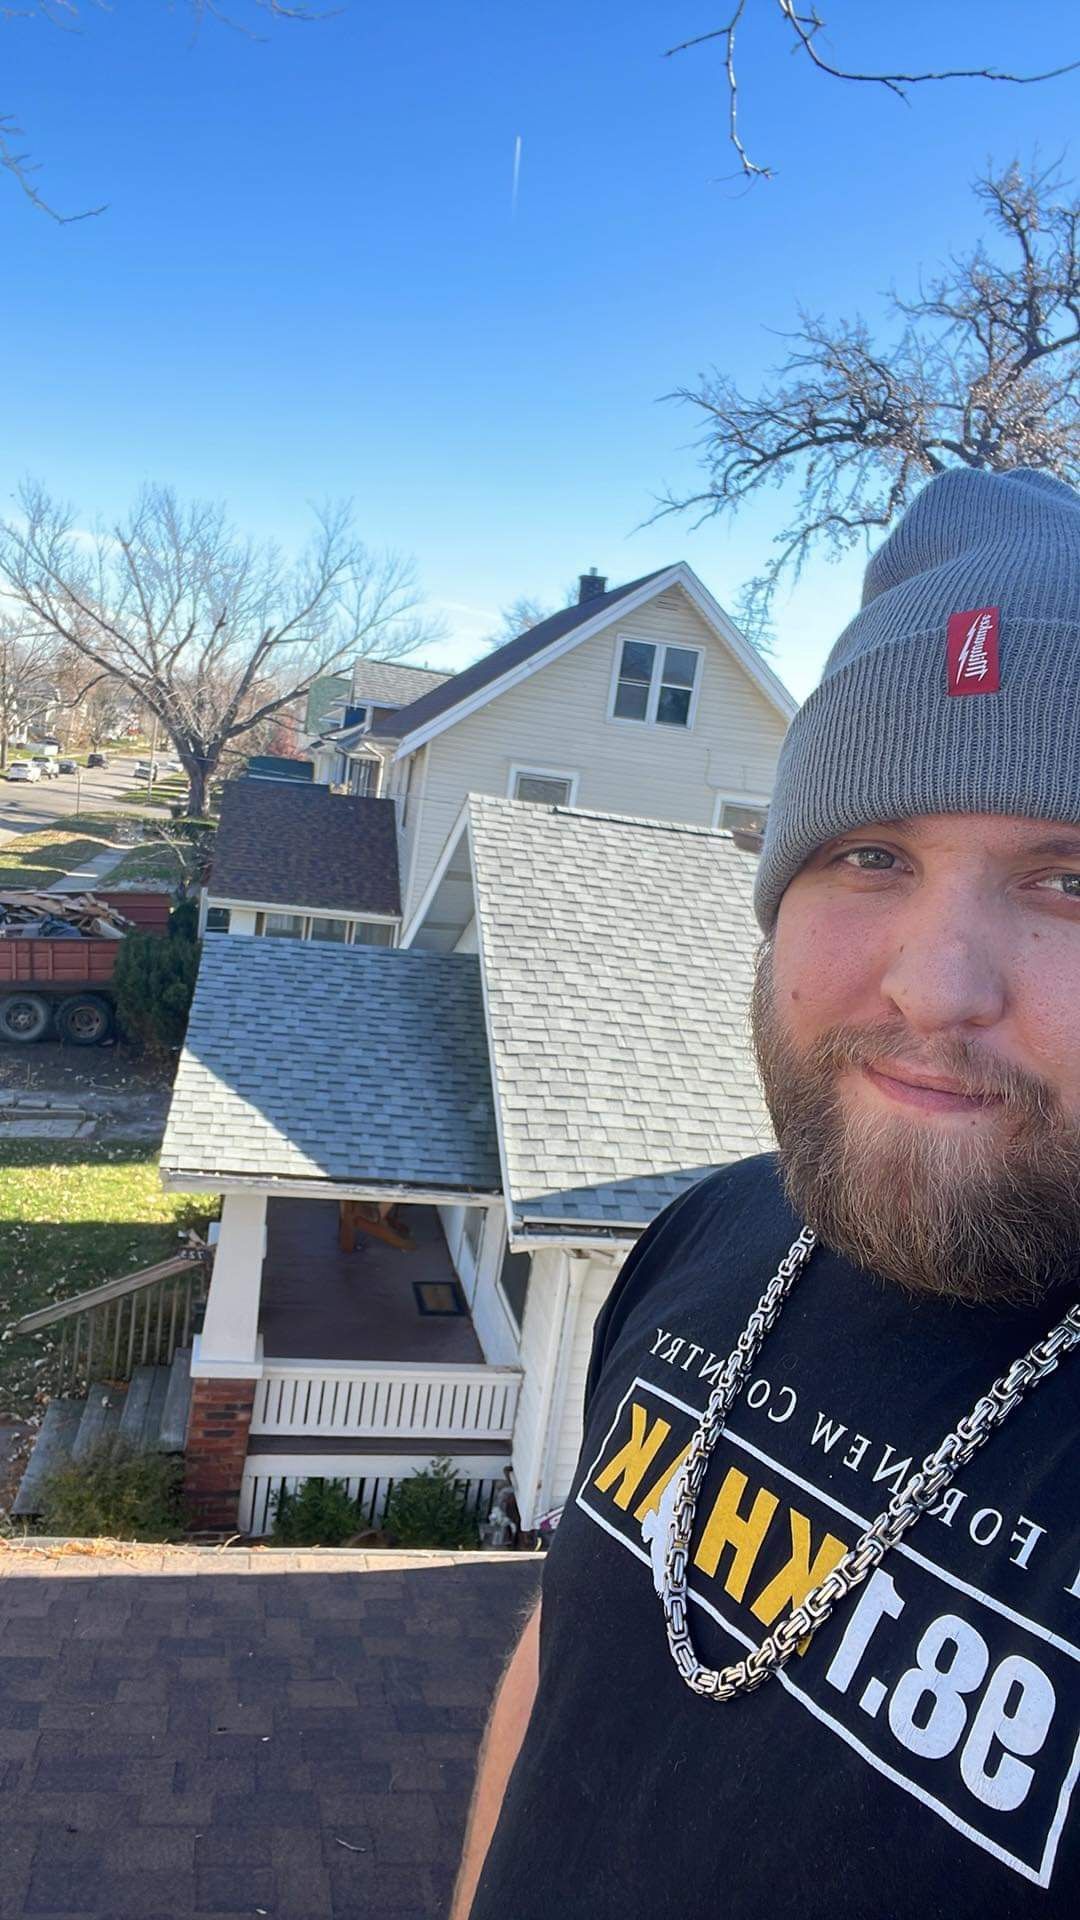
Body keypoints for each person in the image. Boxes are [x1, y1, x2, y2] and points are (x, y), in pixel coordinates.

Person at [452, 467, 1080, 1920]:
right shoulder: (711, 1235)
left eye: (1068, 882)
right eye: (871, 855)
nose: (934, 985)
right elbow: (567, 1658)